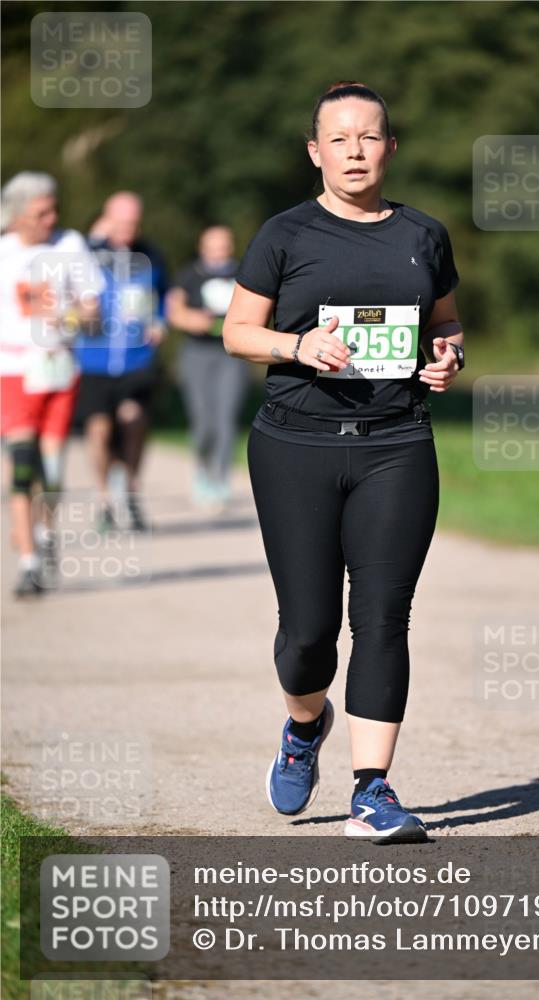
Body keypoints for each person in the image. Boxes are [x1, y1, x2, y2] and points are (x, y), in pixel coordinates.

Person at [223, 82, 464, 843]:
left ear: (390, 148)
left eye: (369, 136)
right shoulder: (284, 234)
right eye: (339, 138)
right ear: (315, 151)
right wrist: (297, 347)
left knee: (383, 618)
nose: (354, 150)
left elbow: (449, 321)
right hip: (294, 445)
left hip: (396, 443)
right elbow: (236, 331)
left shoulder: (423, 234)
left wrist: (448, 357)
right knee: (307, 635)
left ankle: (373, 790)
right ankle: (303, 727)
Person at [0, 172, 103, 597]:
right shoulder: (4, 252)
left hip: (59, 368)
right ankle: (28, 563)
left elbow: (94, 311)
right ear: (19, 215)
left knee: (53, 470)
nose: (52, 217)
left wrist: (73, 316)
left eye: (53, 208)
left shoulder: (70, 245)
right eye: (42, 212)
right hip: (14, 371)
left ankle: (45, 534)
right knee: (23, 465)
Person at [73, 192, 168, 532]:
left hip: (136, 357)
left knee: (134, 418)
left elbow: (164, 296)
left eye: (134, 222)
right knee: (97, 429)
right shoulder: (87, 253)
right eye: (122, 221)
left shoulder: (151, 255)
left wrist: (160, 321)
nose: (129, 228)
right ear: (107, 219)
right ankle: (104, 499)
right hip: (93, 358)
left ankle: (130, 489)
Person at [166, 226, 249, 508]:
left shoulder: (242, 273)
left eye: (224, 245)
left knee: (226, 417)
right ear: (202, 246)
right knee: (203, 419)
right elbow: (173, 311)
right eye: (213, 245)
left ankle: (220, 479)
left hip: (231, 354)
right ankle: (202, 470)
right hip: (197, 353)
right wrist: (192, 320)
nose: (219, 251)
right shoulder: (190, 274)